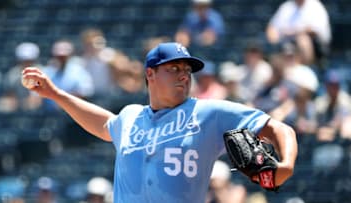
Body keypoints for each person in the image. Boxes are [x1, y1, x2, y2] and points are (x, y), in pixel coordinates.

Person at [22, 42, 297, 203]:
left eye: (187, 70)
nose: (183, 76)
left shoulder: (209, 113)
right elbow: (105, 125)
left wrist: (286, 165)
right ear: (150, 74)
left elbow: (279, 128)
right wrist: (55, 94)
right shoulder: (130, 117)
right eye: (174, 69)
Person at [266, 0, 331, 66]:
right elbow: (272, 27)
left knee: (303, 39)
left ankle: (307, 67)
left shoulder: (315, 6)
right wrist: (273, 39)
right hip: (287, 42)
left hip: (313, 44)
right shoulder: (287, 6)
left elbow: (315, 31)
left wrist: (294, 32)